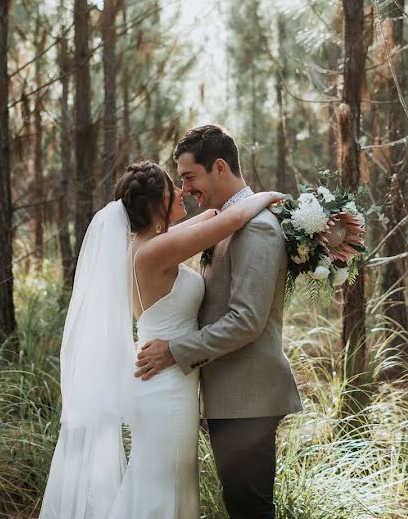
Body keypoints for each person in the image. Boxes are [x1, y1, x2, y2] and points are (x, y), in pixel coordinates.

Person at [40, 158, 282, 519]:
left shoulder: (150, 244)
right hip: (165, 384)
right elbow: (229, 220)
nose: (183, 191)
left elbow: (216, 215)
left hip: (167, 381)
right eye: (175, 187)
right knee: (162, 485)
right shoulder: (155, 251)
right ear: (157, 204)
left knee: (169, 480)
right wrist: (270, 195)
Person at [136, 124, 303, 518]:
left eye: (190, 177)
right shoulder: (229, 222)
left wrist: (174, 352)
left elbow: (246, 320)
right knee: (241, 506)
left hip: (248, 397)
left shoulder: (258, 228)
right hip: (227, 395)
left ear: (221, 167)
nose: (186, 190)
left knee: (250, 509)